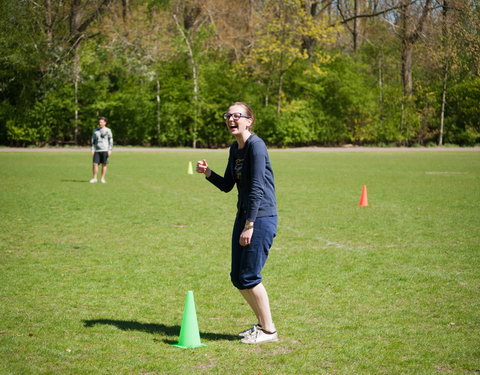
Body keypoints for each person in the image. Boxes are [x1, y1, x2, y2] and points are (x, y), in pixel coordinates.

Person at [196, 102, 278, 344]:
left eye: (236, 115)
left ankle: (269, 331)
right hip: (244, 216)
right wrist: (208, 173)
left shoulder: (256, 146)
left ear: (249, 120)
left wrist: (250, 224)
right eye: (228, 116)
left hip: (260, 217)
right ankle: (263, 326)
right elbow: (227, 185)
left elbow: (257, 188)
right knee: (238, 277)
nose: (231, 119)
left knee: (250, 275)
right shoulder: (235, 149)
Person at [90, 117, 113, 183]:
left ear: (105, 123)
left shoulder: (108, 130)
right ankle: (94, 178)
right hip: (97, 150)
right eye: (99, 122)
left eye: (102, 122)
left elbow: (110, 140)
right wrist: (92, 149)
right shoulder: (95, 130)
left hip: (105, 150)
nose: (100, 123)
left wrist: (110, 150)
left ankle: (102, 178)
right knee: (95, 164)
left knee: (104, 164)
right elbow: (93, 140)